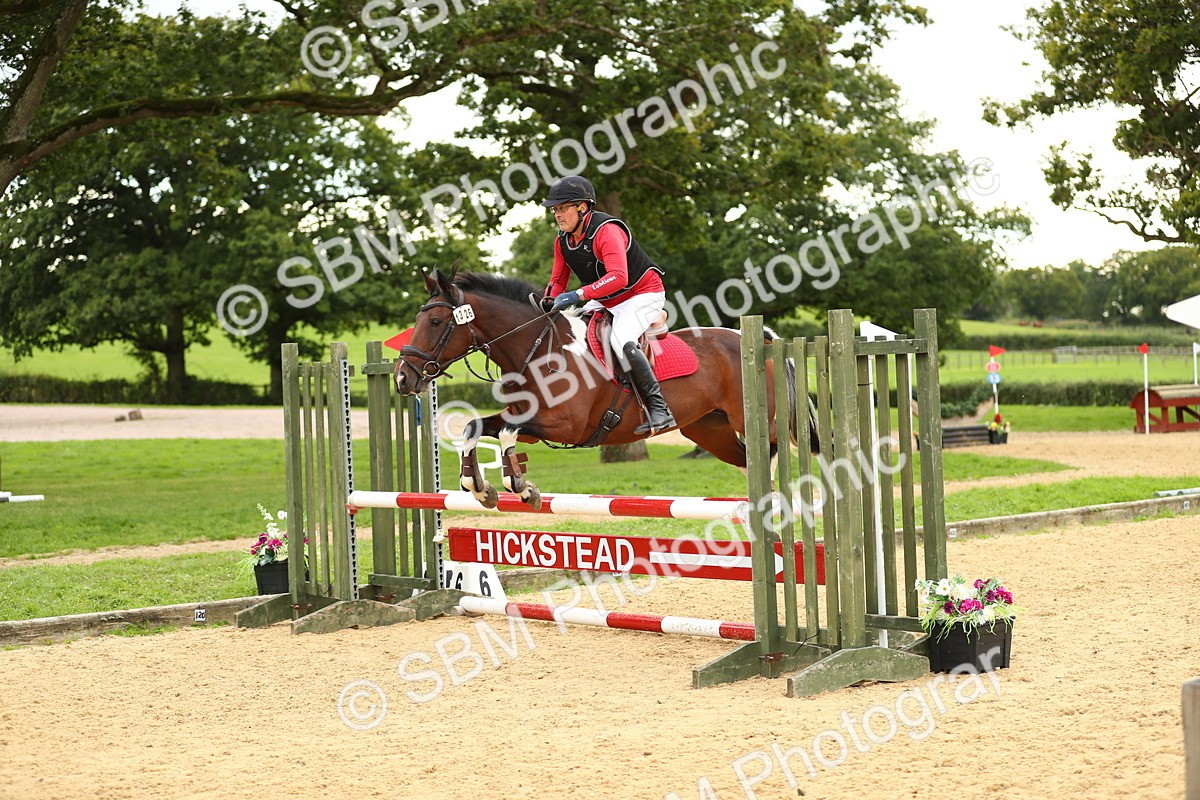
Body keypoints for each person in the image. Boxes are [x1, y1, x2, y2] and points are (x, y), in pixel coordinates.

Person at [540, 175, 676, 436]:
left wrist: (577, 294)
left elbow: (619, 277)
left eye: (562, 208)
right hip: (607, 300)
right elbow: (557, 280)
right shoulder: (562, 241)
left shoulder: (607, 231)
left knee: (621, 339)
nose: (557, 215)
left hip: (642, 293)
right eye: (555, 210)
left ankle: (660, 408)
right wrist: (547, 300)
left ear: (582, 207)